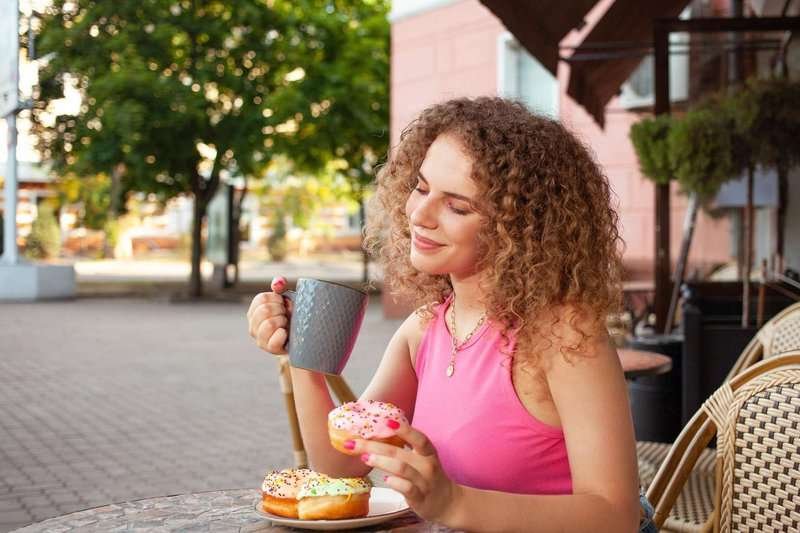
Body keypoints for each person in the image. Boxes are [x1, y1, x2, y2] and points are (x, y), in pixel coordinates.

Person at [247, 97, 649, 532]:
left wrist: (454, 502)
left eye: (457, 206)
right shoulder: (425, 328)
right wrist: (302, 352)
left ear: (521, 226)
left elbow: (616, 514)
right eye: (420, 188)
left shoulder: (564, 334)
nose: (419, 214)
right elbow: (340, 465)